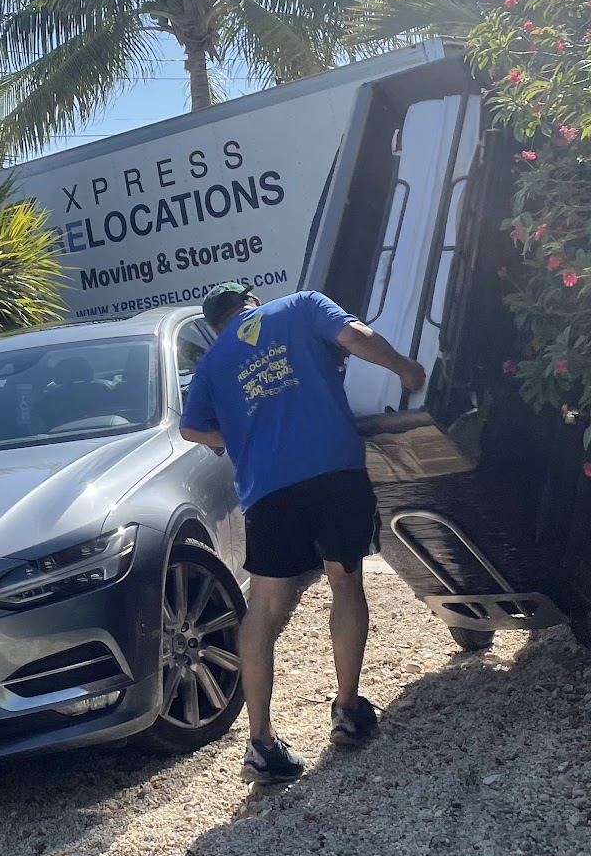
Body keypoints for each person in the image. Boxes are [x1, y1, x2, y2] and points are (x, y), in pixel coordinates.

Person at [180, 280, 426, 785]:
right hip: (333, 470)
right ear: (251, 301)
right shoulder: (300, 305)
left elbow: (191, 428)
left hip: (267, 491)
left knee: (265, 608)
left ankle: (261, 744)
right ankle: (348, 711)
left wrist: (238, 434)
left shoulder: (211, 363)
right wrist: (405, 369)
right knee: (344, 581)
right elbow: (354, 337)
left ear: (215, 325)